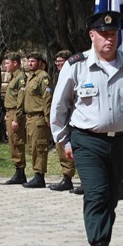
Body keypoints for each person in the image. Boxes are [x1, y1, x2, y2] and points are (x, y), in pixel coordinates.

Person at [50, 10, 123, 246]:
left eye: (113, 34)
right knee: (96, 193)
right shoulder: (76, 65)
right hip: (87, 140)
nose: (109, 39)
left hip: (119, 142)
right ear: (92, 35)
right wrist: (64, 140)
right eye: (103, 34)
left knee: (112, 198)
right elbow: (59, 107)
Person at [22, 52, 52, 188]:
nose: (30, 64)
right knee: (32, 147)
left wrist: (48, 117)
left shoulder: (43, 77)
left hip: (39, 117)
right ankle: (36, 174)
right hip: (30, 118)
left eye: (33, 61)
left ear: (41, 63)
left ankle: (39, 177)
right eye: (29, 61)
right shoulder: (30, 77)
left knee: (39, 147)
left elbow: (47, 98)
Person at [49, 50, 77, 191]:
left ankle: (84, 180)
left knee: (78, 148)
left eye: (62, 61)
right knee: (61, 147)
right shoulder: (59, 75)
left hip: (75, 118)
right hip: (63, 117)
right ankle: (67, 178)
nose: (59, 64)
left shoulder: (75, 73)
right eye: (57, 62)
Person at [2, 52, 27, 185]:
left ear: (15, 63)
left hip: (15, 114)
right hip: (10, 113)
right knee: (12, 141)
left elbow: (21, 99)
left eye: (7, 63)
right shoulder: (14, 77)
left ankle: (20, 171)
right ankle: (18, 170)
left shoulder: (21, 77)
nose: (5, 65)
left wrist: (16, 118)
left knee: (17, 141)